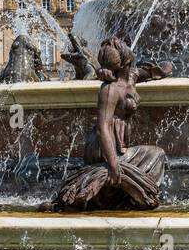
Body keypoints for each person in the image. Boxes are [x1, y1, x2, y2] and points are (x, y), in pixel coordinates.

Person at [54, 37, 166, 209]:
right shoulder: (109, 90)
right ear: (125, 58)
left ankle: (129, 194)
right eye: (125, 47)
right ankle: (128, 193)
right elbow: (102, 127)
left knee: (156, 155)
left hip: (120, 145)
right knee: (156, 155)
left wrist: (161, 69)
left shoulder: (131, 77)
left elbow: (159, 70)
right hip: (103, 147)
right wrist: (113, 163)